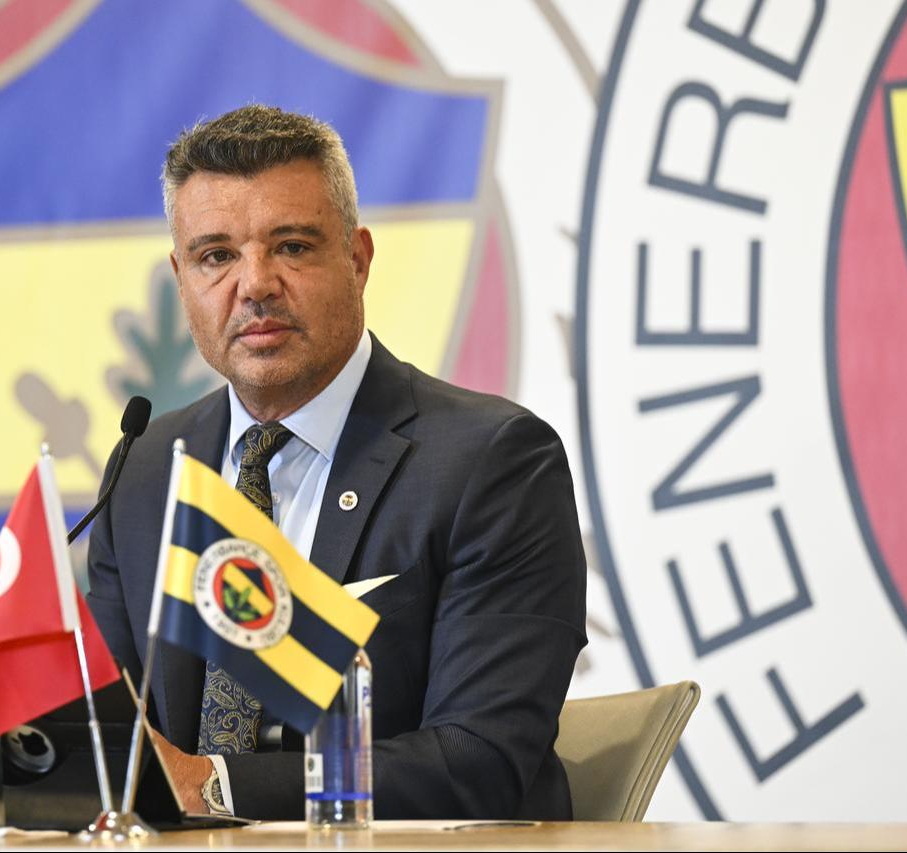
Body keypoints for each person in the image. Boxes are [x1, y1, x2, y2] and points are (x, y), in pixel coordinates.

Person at [86, 104, 587, 820]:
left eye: (291, 246)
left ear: (357, 259)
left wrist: (214, 785)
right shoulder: (145, 471)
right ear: (181, 277)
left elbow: (480, 760)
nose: (254, 284)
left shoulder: (493, 461)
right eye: (216, 256)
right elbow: (103, 739)